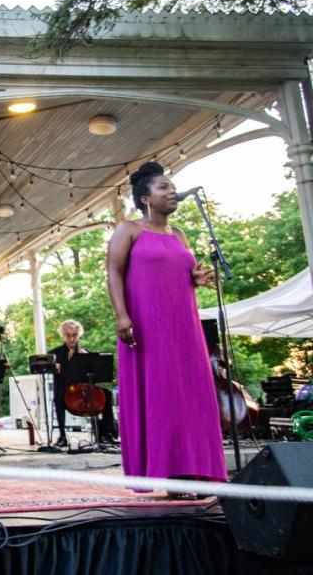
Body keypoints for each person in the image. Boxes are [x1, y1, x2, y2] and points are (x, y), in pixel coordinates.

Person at [107, 161, 225, 489]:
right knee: (160, 395)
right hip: (147, 324)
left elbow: (178, 271)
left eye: (172, 187)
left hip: (184, 325)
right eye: (163, 187)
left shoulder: (179, 234)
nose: (172, 192)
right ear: (145, 198)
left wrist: (195, 277)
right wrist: (122, 315)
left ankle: (193, 471)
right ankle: (167, 473)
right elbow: (114, 271)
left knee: (190, 395)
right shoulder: (128, 230)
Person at [49, 319, 116, 447]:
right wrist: (54, 367)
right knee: (57, 398)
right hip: (66, 389)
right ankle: (62, 436)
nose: (72, 339)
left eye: (74, 335)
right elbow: (47, 369)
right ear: (63, 335)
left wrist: (87, 359)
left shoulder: (86, 352)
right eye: (68, 335)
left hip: (85, 389)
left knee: (107, 394)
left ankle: (108, 433)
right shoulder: (55, 353)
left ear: (78, 335)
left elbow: (95, 376)